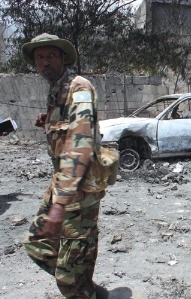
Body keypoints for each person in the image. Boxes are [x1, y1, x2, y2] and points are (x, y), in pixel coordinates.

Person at [21, 33, 110, 299]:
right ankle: (85, 283)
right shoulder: (56, 88)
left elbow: (80, 144)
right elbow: (65, 127)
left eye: (50, 55)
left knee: (68, 274)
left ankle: (81, 285)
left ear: (62, 58)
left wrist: (59, 205)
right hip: (62, 182)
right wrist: (47, 119)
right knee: (37, 244)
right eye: (40, 57)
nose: (45, 62)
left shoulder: (78, 87)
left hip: (79, 190)